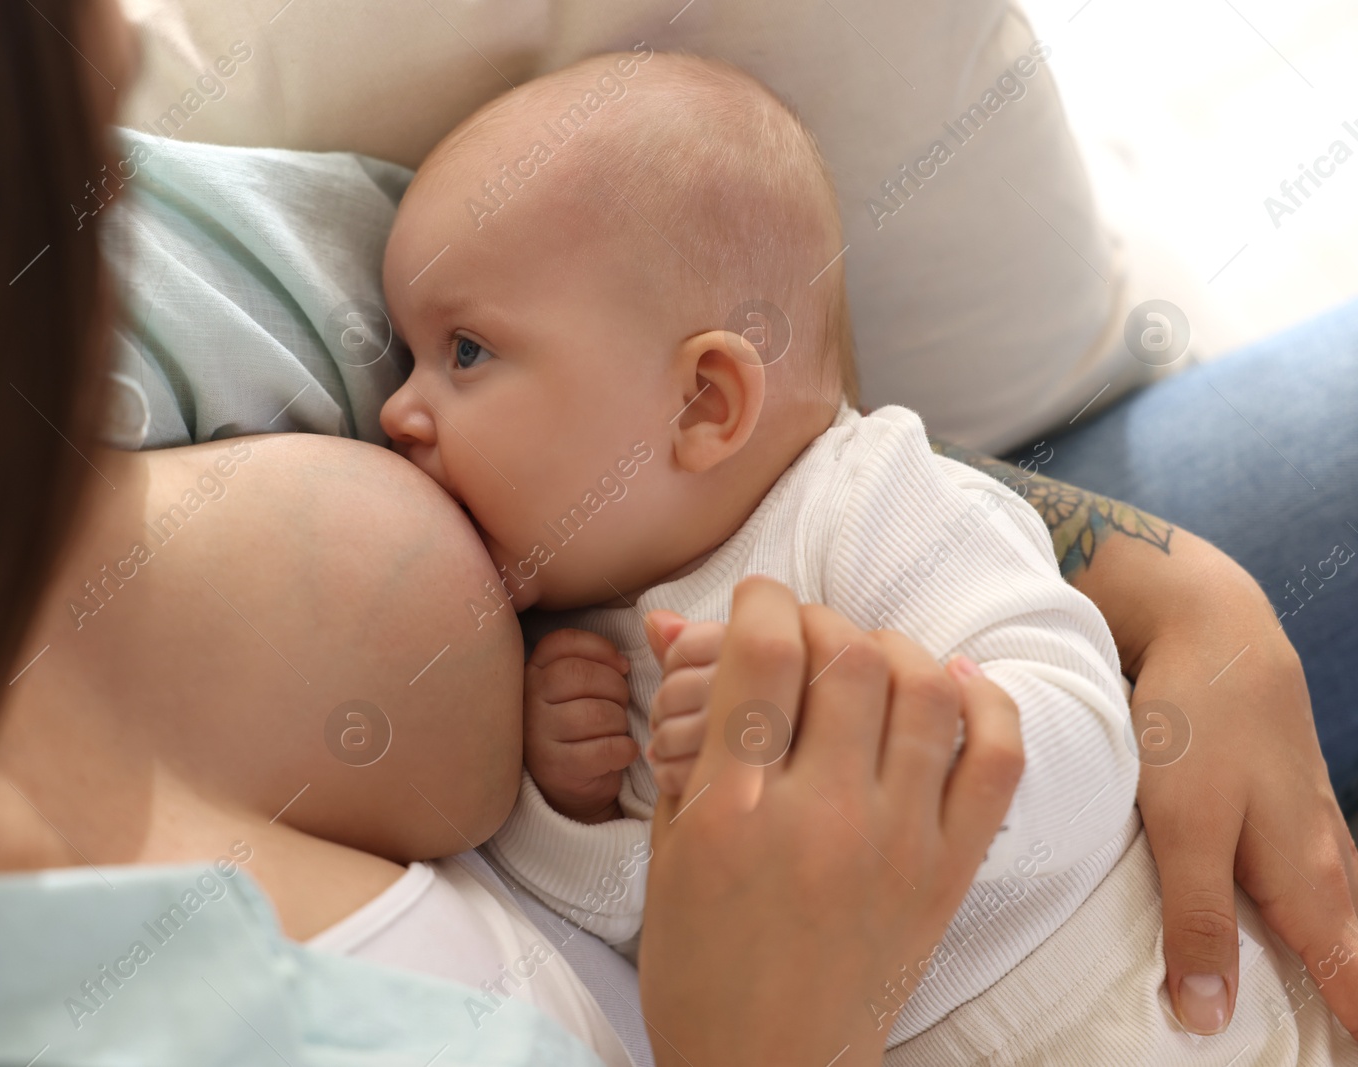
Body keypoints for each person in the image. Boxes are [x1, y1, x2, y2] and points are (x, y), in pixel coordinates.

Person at [0, 2, 1355, 1065]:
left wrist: (1178, 594)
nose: (396, 404)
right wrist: (609, 813)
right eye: (69, 112)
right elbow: (647, 918)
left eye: (445, 358)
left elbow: (822, 455)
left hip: (1165, 934)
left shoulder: (118, 277)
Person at [373, 52, 1356, 1061]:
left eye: (465, 352)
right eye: (405, 354)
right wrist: (568, 814)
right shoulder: (574, 655)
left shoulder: (865, 498)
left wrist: (903, 741)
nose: (396, 409)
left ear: (704, 401)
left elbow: (1087, 729)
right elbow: (654, 944)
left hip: (1191, 1007)